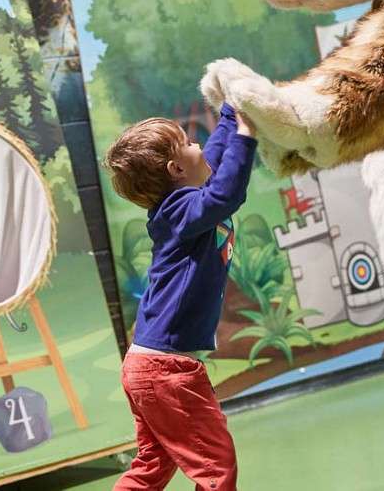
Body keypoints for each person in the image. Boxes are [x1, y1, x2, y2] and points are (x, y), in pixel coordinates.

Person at [103, 103, 257, 491]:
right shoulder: (179, 211)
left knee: (154, 464)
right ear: (176, 170)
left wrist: (230, 114)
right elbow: (225, 193)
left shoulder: (186, 202)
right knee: (216, 467)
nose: (198, 145)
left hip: (148, 366)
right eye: (188, 142)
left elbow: (213, 161)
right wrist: (246, 133)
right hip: (165, 371)